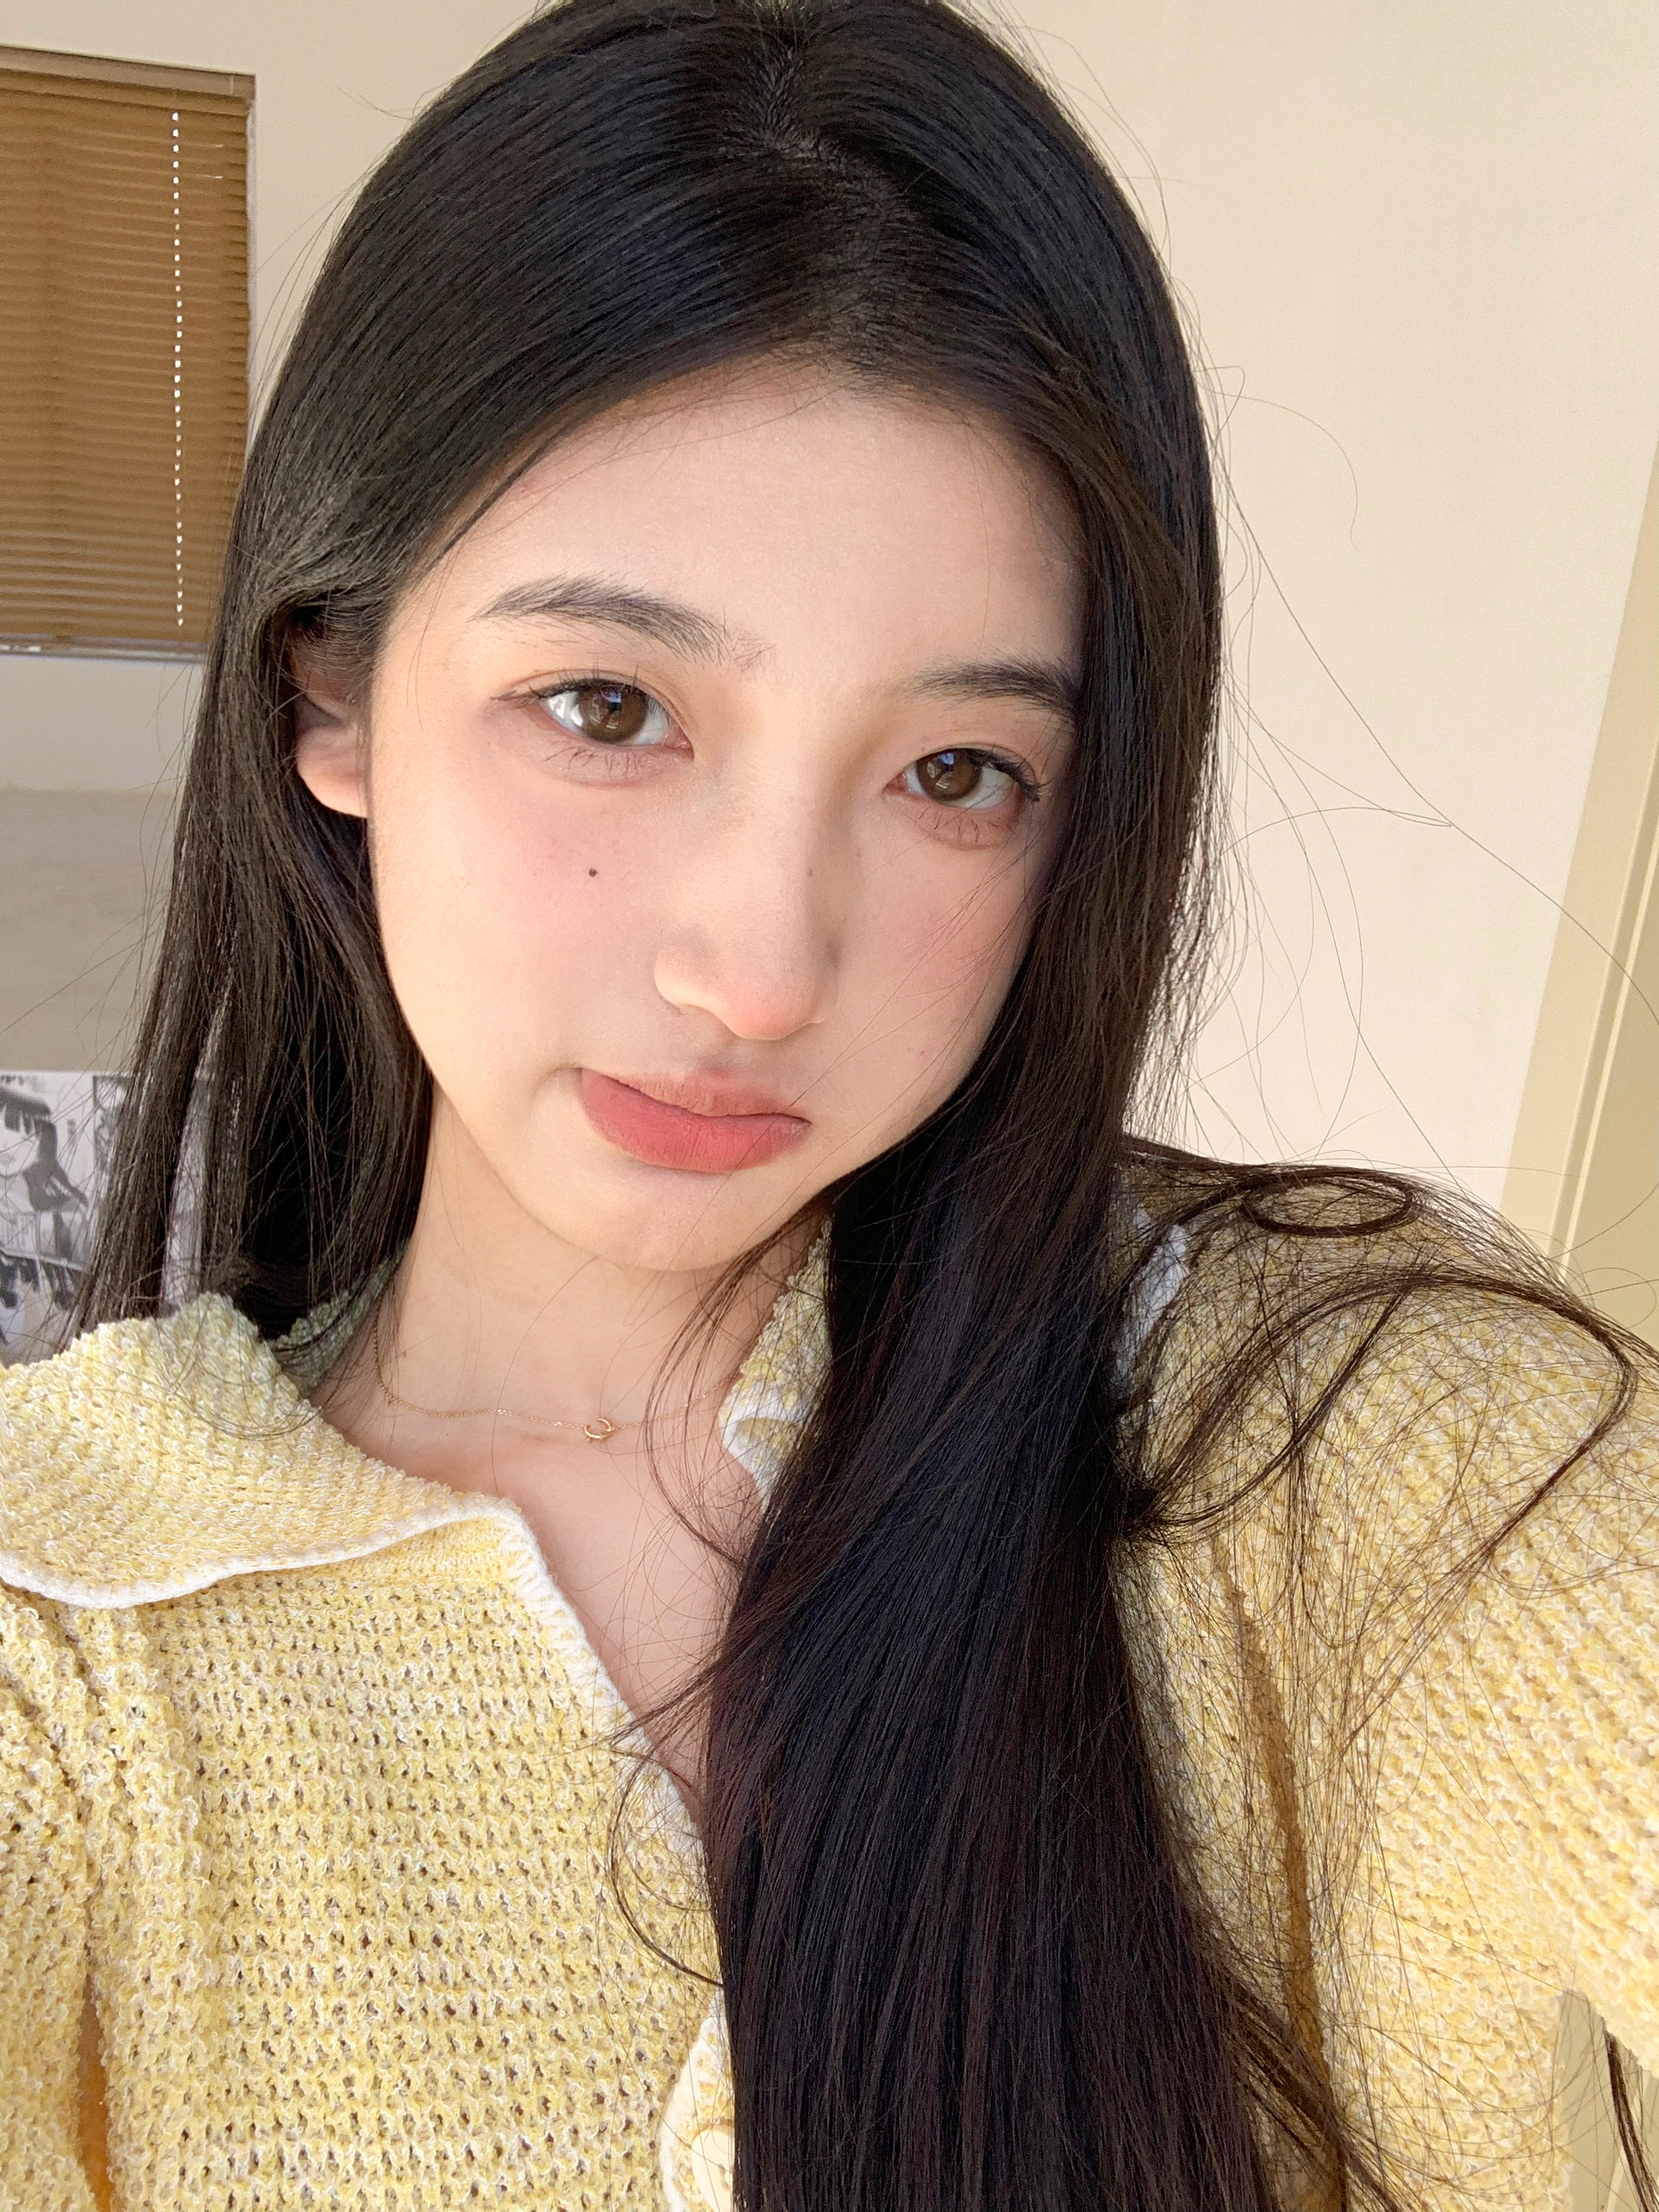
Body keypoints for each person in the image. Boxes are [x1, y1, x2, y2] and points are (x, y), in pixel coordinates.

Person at [1, 2, 1653, 2207]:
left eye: (954, 771)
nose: (761, 970)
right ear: (334, 693)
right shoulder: (64, 1641)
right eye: (607, 707)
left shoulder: (1365, 1442)